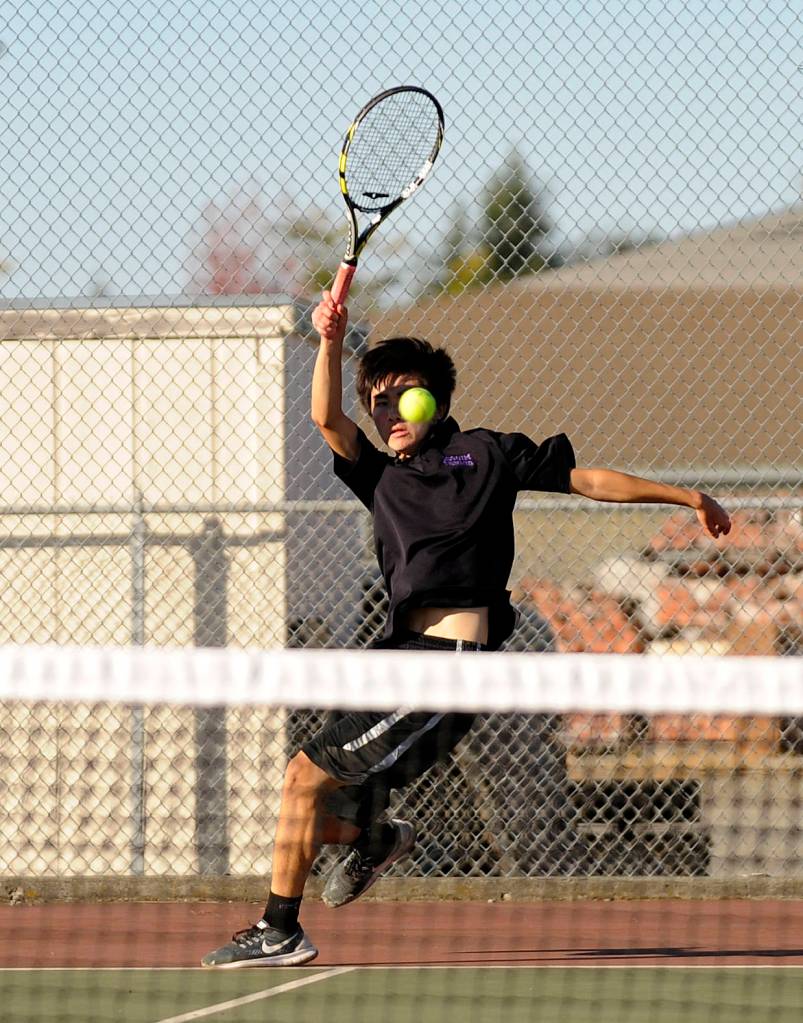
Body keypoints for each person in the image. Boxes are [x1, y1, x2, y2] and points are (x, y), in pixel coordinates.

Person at [202, 291, 731, 968]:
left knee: (301, 774)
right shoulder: (380, 478)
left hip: (449, 656)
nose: (389, 412)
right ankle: (375, 839)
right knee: (312, 800)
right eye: (378, 401)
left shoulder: (485, 454)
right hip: (392, 658)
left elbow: (587, 479)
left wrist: (685, 496)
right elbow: (323, 416)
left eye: (404, 396)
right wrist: (329, 340)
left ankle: (281, 927)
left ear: (439, 402)